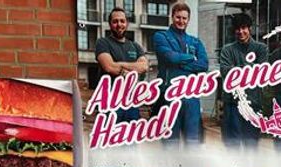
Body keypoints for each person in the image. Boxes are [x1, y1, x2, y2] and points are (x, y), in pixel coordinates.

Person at [154, 2, 209, 144]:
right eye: (178, 17)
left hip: (191, 98)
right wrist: (191, 58)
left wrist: (179, 62)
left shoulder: (195, 42)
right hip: (169, 96)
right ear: (172, 17)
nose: (181, 21)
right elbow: (169, 57)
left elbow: (203, 65)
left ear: (188, 20)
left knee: (193, 143)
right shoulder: (161, 36)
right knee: (170, 143)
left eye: (184, 18)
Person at [219, 13, 267, 147]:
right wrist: (249, 68)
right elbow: (225, 72)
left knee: (251, 146)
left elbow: (261, 73)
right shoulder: (227, 50)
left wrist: (236, 69)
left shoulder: (261, 48)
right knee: (231, 147)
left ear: (250, 28)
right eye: (237, 29)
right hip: (232, 104)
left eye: (244, 28)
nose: (241, 32)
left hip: (253, 104)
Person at [95, 6, 148, 121]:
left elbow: (144, 66)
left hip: (131, 103)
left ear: (127, 23)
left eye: (122, 21)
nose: (119, 25)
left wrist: (121, 68)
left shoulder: (135, 46)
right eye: (115, 21)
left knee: (131, 136)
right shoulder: (103, 43)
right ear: (110, 24)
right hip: (109, 103)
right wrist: (133, 70)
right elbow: (109, 67)